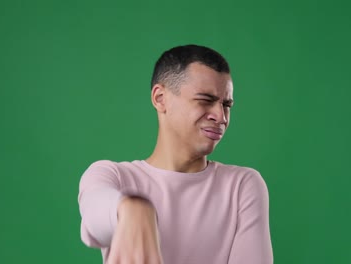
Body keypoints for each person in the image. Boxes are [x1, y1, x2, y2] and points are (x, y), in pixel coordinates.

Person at [78, 44, 274, 264]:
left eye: (226, 104)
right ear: (160, 98)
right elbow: (94, 216)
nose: (221, 116)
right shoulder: (113, 176)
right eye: (205, 100)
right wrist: (132, 209)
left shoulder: (242, 185)